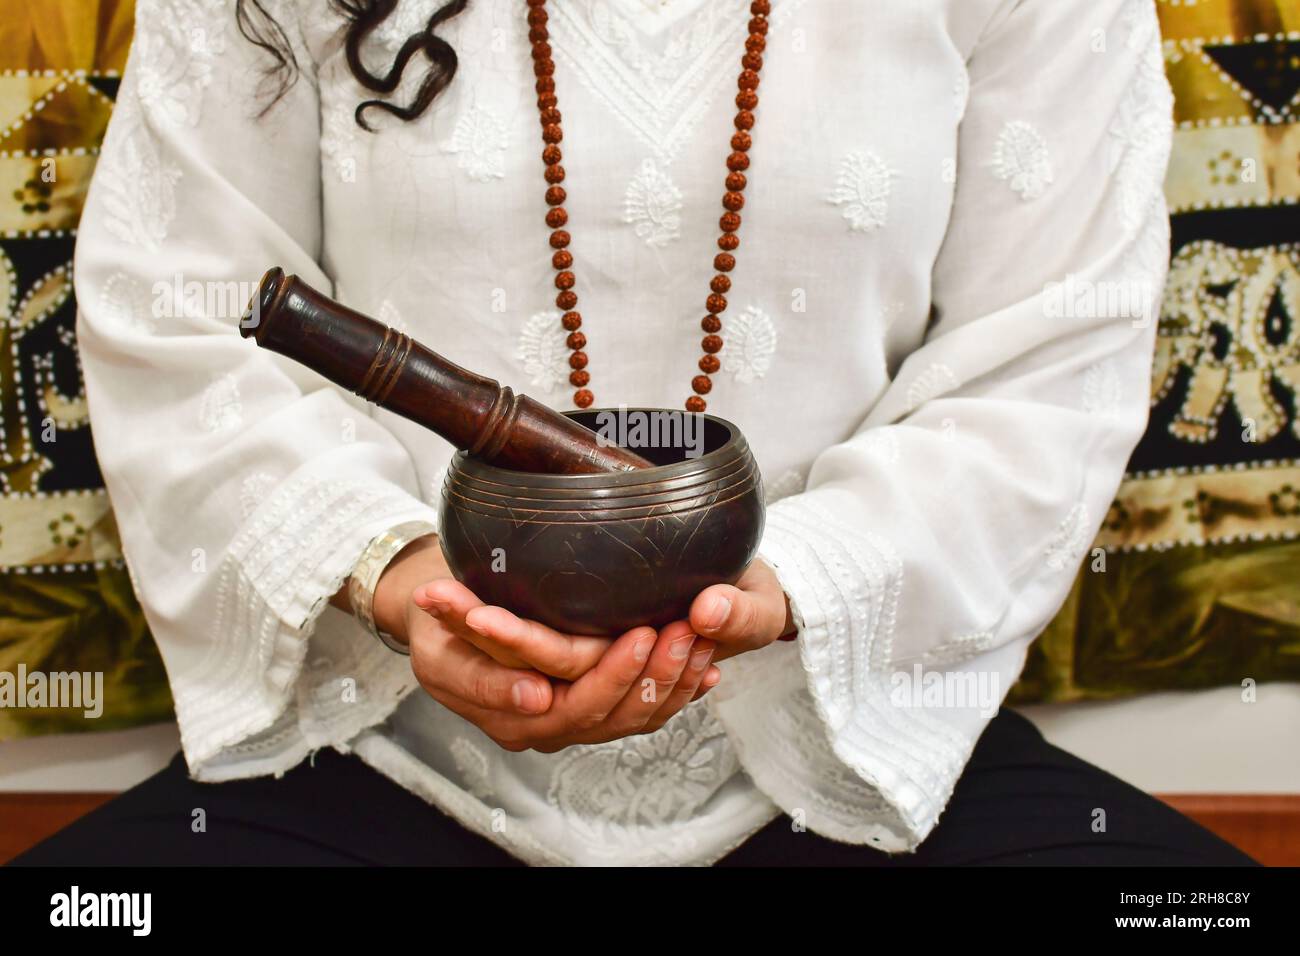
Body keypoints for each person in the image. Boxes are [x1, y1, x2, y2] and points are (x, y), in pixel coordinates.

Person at [16, 0, 1255, 866]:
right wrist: (400, 580)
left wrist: (787, 584)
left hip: (836, 746)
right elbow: (176, 304)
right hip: (397, 738)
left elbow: (1054, 349)